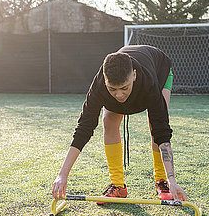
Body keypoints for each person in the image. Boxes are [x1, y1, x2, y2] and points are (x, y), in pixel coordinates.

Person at [51, 45, 188, 203]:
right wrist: (62, 174)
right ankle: (118, 186)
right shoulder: (99, 86)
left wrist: (172, 180)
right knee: (108, 120)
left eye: (124, 88)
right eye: (112, 89)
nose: (119, 95)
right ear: (105, 81)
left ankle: (162, 181)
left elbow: (161, 130)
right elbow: (84, 128)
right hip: (126, 79)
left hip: (158, 69)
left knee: (155, 123)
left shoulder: (148, 83)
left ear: (134, 75)